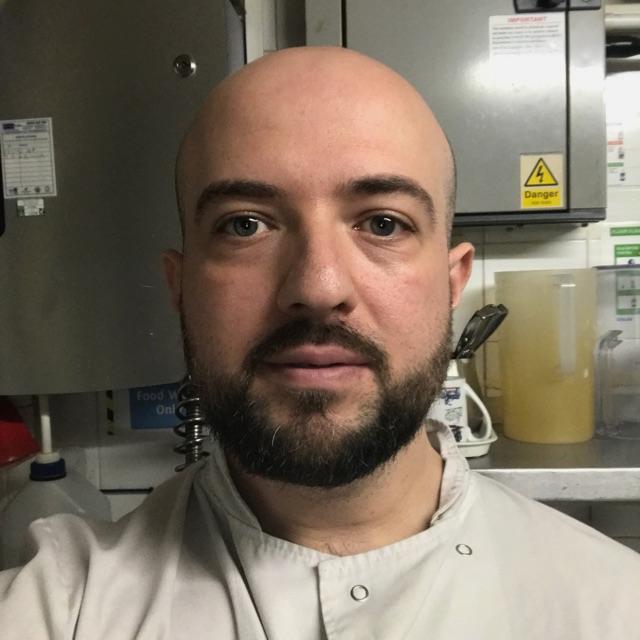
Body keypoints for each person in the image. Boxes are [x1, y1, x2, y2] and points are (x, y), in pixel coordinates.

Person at [1, 46, 639, 639]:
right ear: (180, 285)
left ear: (452, 283)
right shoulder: (63, 609)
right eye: (245, 225)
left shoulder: (612, 606)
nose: (317, 286)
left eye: (382, 223)